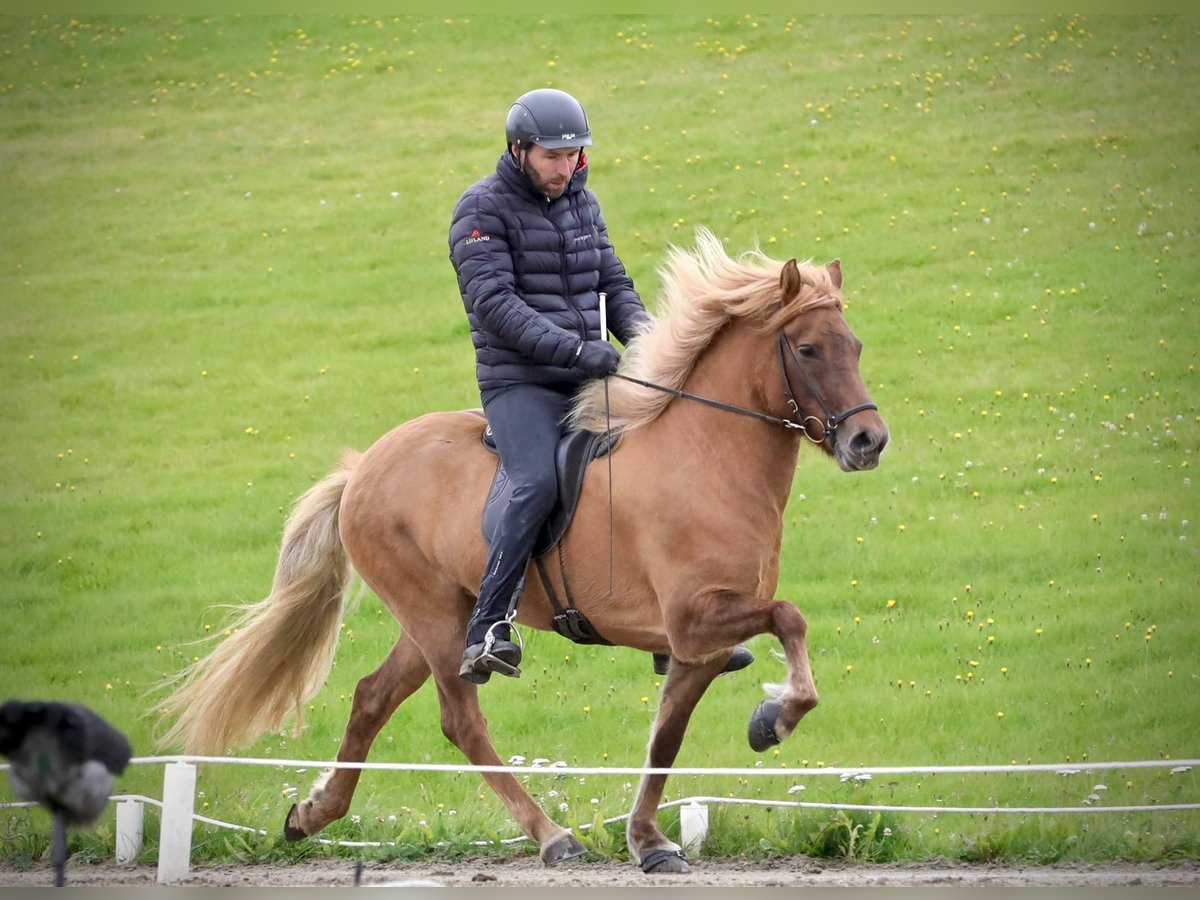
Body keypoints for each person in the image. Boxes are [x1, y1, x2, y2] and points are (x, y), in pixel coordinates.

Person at [448, 87, 752, 684]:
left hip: (592, 369)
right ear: (518, 151)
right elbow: (496, 306)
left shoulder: (582, 203)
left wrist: (648, 345)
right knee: (534, 482)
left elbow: (614, 281)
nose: (566, 167)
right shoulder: (480, 211)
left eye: (575, 155)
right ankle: (488, 627)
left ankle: (674, 629)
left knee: (662, 463)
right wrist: (580, 353)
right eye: (552, 156)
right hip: (523, 384)